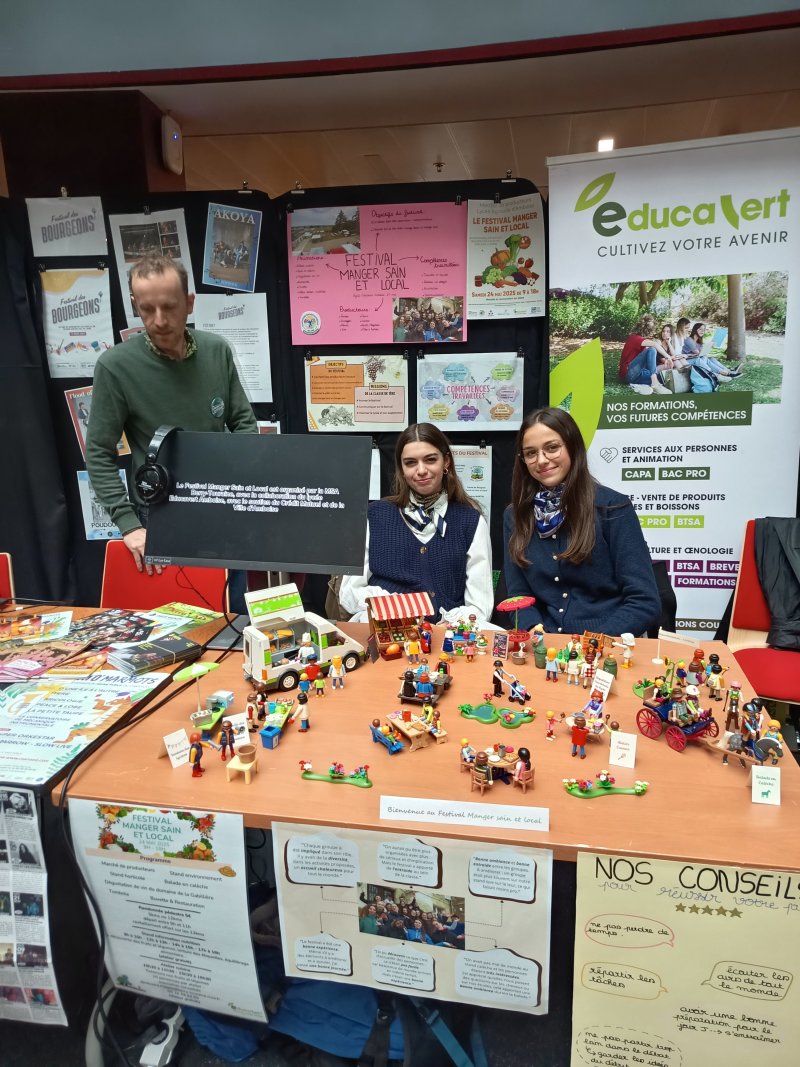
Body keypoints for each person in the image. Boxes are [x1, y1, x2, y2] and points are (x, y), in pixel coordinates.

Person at [86, 254, 257, 574]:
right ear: (135, 304)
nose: (159, 320)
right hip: (159, 513)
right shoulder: (115, 367)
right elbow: (98, 452)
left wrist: (239, 489)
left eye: (169, 306)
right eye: (147, 309)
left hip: (223, 505)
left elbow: (244, 423)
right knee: (182, 616)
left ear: (189, 303)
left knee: (233, 610)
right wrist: (129, 525)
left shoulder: (217, 350)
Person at [503, 407, 661, 637]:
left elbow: (644, 601)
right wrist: (534, 630)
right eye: (530, 453)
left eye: (552, 448)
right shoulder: (515, 516)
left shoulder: (613, 507)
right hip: (543, 646)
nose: (541, 460)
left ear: (573, 446)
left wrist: (592, 644)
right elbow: (517, 596)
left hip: (606, 646)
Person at [339, 423, 493, 625]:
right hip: (385, 626)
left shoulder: (470, 521)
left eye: (430, 460)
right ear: (401, 469)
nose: (421, 470)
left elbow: (480, 606)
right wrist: (396, 608)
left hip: (447, 634)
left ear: (446, 461)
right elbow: (349, 593)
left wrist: (448, 625)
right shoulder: (374, 516)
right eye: (410, 463)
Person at [618, 313, 673, 395]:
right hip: (628, 374)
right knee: (652, 349)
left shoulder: (641, 341)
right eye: (652, 331)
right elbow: (654, 345)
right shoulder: (635, 338)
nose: (652, 333)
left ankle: (652, 382)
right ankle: (655, 384)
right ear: (648, 330)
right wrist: (668, 357)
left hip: (636, 375)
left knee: (662, 377)